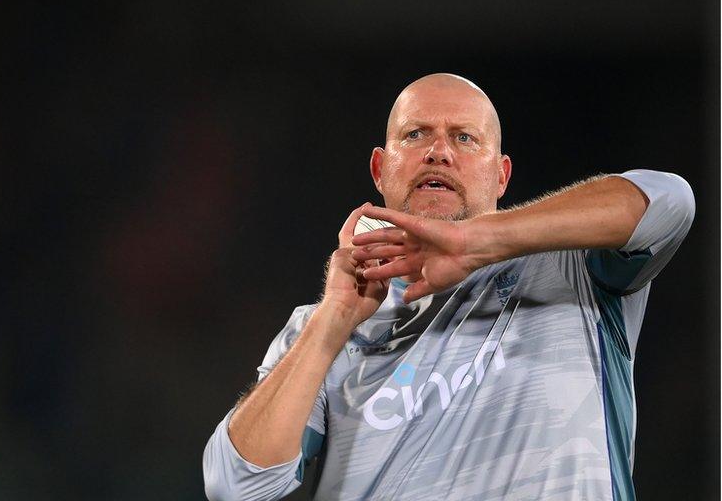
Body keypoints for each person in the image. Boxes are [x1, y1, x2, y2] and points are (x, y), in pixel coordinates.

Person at [203, 73, 695, 500]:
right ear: (380, 169)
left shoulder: (574, 268)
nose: (438, 152)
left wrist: (471, 242)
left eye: (465, 138)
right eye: (415, 134)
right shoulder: (319, 329)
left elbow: (671, 202)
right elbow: (237, 484)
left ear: (501, 176)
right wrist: (333, 318)